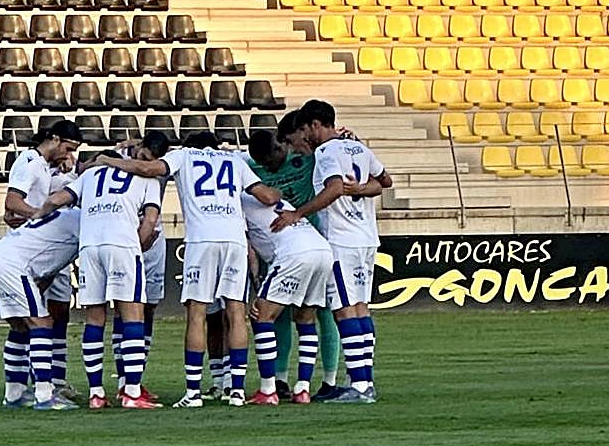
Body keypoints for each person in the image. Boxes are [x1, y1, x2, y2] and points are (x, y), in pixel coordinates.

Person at [95, 131, 280, 408]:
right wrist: (280, 193)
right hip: (234, 239)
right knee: (236, 312)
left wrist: (108, 161)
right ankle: (237, 391)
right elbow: (266, 196)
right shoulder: (233, 160)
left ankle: (193, 393)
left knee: (197, 314)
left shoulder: (183, 155)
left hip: (202, 239)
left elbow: (146, 168)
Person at [272, 100, 389, 404]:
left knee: (343, 310)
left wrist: (298, 213)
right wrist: (362, 189)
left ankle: (360, 387)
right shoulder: (358, 148)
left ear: (314, 125)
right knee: (361, 307)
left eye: (305, 129)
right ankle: (365, 380)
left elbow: (335, 188)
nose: (305, 137)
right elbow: (385, 181)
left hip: (341, 240)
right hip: (367, 238)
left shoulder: (327, 152)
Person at [44, 152, 163, 409]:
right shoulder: (148, 178)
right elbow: (150, 221)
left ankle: (96, 393)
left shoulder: (90, 176)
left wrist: (34, 215)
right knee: (132, 315)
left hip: (90, 247)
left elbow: (57, 200)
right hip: (122, 244)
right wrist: (138, 248)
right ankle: (131, 391)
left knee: (95, 318)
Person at [247, 118, 343, 401]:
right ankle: (296, 386)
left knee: (266, 314)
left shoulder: (308, 160)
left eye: (272, 158)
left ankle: (317, 381)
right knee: (301, 317)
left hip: (295, 246)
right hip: (314, 248)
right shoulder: (253, 168)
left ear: (282, 146)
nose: (269, 166)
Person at [2, 120, 83, 400]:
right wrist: (37, 215)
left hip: (52, 246)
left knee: (58, 313)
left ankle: (54, 378)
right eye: (68, 149)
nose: (69, 156)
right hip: (33, 249)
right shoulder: (29, 161)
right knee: (33, 318)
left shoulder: (48, 167)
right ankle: (35, 384)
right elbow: (13, 202)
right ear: (54, 139)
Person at [0, 206, 82, 411]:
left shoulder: (64, 217)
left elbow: (48, 269)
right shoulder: (85, 221)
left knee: (20, 327)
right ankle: (44, 395)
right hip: (11, 264)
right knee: (42, 323)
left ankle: (14, 394)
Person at [110, 132, 171, 399]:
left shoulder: (166, 165)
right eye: (145, 157)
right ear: (140, 148)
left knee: (149, 308)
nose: (147, 166)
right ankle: (124, 379)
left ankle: (137, 376)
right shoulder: (118, 159)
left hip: (153, 238)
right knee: (123, 308)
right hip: (123, 239)